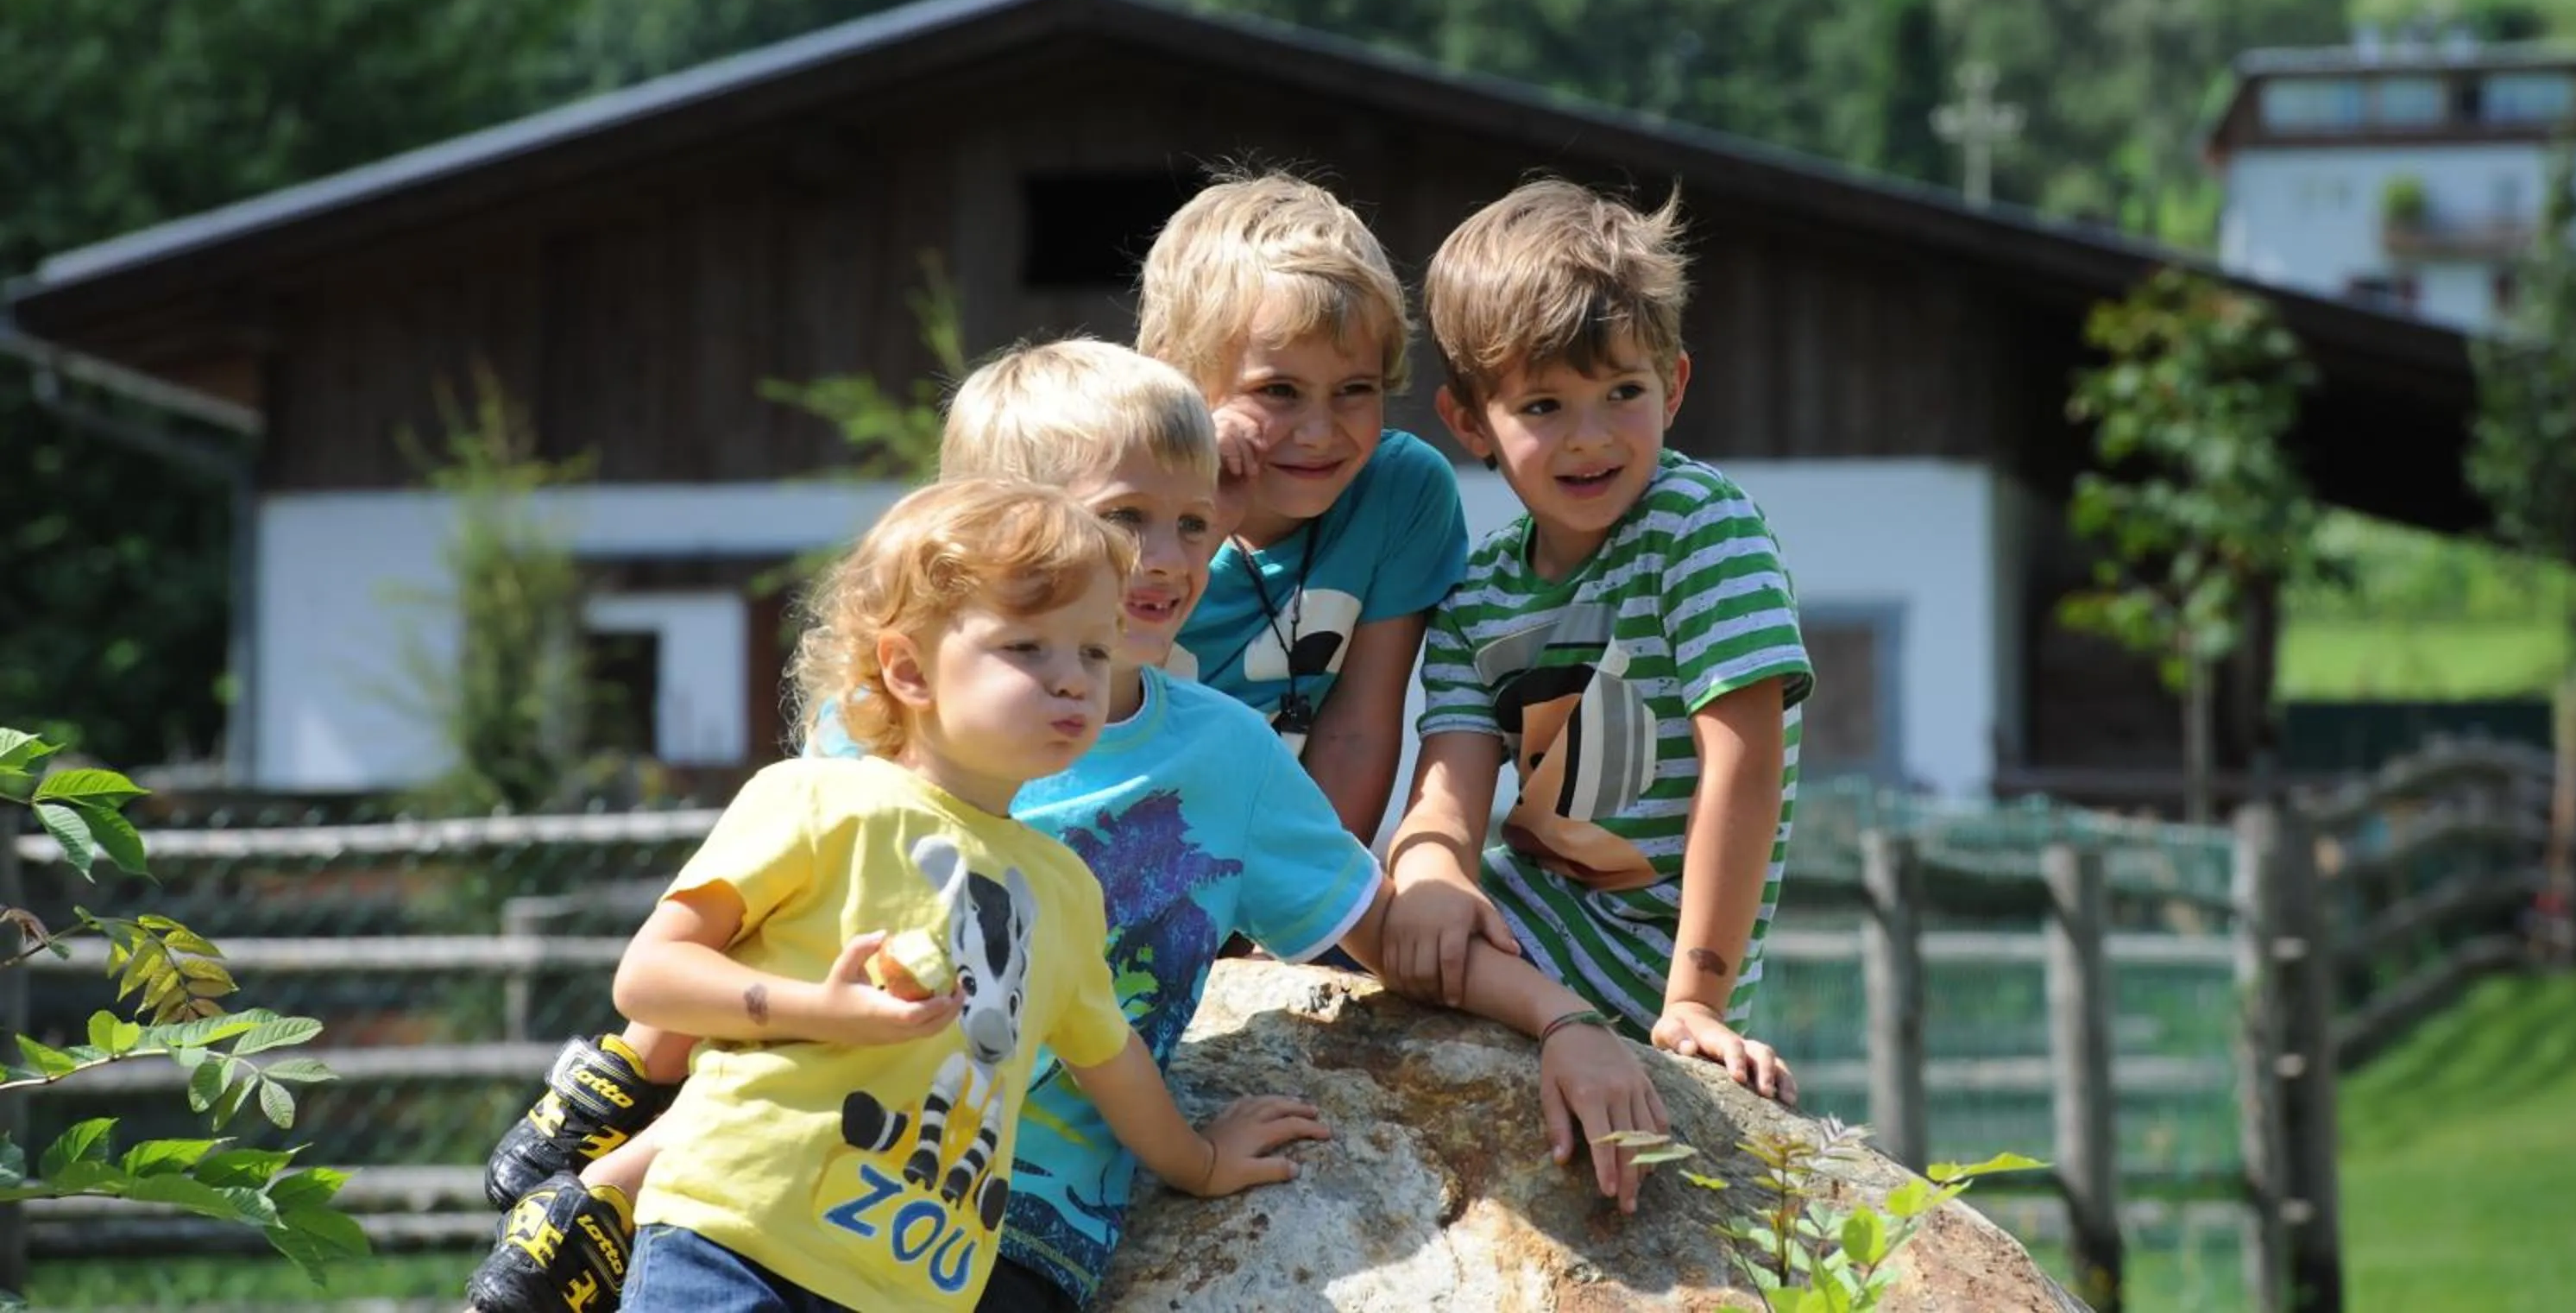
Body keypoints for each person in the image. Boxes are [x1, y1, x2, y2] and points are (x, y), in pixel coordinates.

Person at [471, 340, 1668, 1313]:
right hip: (791, 1176)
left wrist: (1564, 1020)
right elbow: (753, 931)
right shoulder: (889, 734)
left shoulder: (1226, 760)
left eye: (1194, 522)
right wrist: (640, 1100)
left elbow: (1392, 932)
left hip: (1013, 1231)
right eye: (1124, 518)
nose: (1168, 559)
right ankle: (599, 1192)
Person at [468, 480, 1313, 1313]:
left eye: (1094, 650)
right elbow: (650, 978)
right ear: (909, 669)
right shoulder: (816, 800)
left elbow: (1113, 1062)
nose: (1073, 681)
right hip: (733, 1233)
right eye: (1027, 648)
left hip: (908, 1285)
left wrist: (1203, 1163)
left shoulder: (1064, 890)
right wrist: (820, 1009)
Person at [1380, 179, 1811, 1103]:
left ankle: (1568, 1021)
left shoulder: (1702, 528)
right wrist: (1430, 871)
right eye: (1543, 406)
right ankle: (1550, 1011)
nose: (1590, 438)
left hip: (1657, 957)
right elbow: (1448, 791)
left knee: (1358, 928)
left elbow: (1744, 765)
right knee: (1352, 904)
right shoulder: (1476, 594)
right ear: (1469, 421)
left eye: (1623, 392)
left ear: (1674, 385)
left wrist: (1696, 999)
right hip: (1531, 922)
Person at [1135, 170, 1470, 847]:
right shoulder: (1117, 499)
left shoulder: (1400, 491)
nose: (1319, 433)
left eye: (1354, 389)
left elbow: (1357, 731)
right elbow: (1094, 681)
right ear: (1178, 378)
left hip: (1276, 858)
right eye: (1279, 391)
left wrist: (1312, 894)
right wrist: (1200, 519)